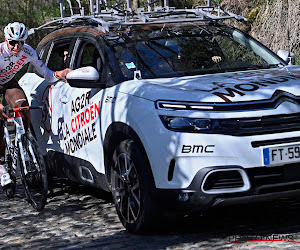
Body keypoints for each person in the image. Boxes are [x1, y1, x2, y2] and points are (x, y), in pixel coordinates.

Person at [0, 22, 72, 191]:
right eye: (12, 42)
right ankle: (2, 167)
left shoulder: (28, 52)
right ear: (5, 40)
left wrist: (59, 74)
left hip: (9, 83)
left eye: (21, 42)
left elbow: (47, 74)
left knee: (23, 109)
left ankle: (23, 143)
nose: (17, 47)